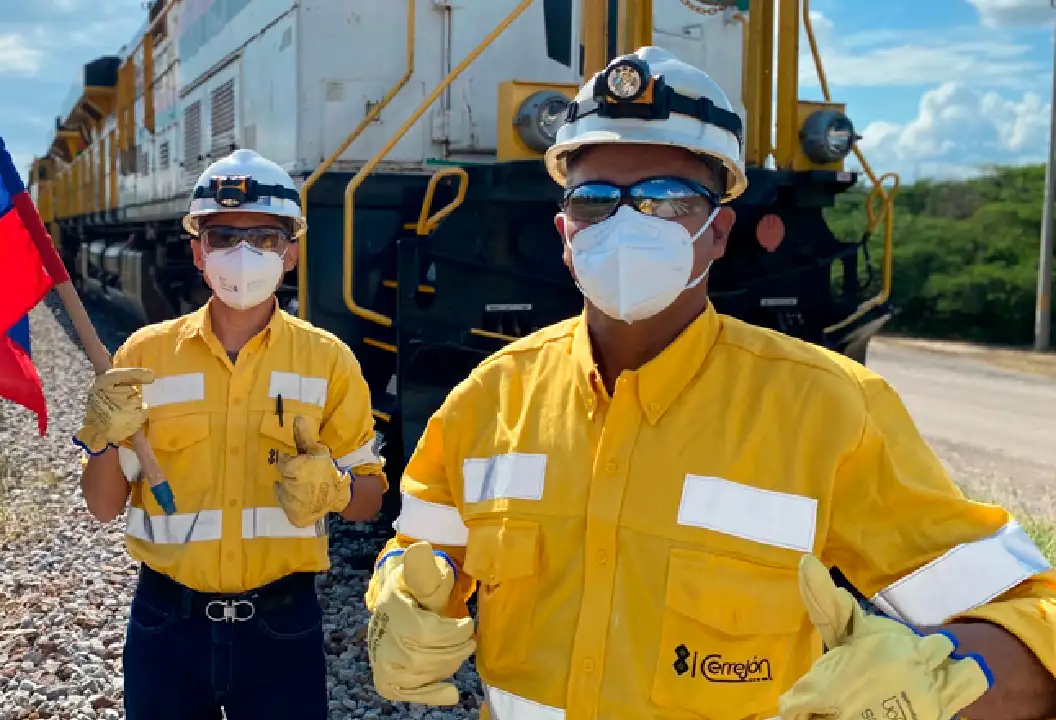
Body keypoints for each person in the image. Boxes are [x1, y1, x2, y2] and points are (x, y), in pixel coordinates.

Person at [363, 47, 1056, 720]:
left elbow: (1032, 611)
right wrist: (399, 599)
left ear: (720, 231)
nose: (628, 222)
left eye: (667, 199)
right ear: (564, 230)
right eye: (596, 200)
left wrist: (948, 677)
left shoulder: (828, 411)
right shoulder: (489, 400)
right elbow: (424, 553)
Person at [73, 148, 387, 719]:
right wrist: (100, 438)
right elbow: (102, 506)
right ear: (197, 251)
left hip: (282, 627)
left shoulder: (329, 362)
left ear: (291, 252)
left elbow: (369, 500)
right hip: (166, 625)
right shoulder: (145, 356)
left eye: (265, 238)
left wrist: (337, 491)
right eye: (223, 236)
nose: (243, 255)